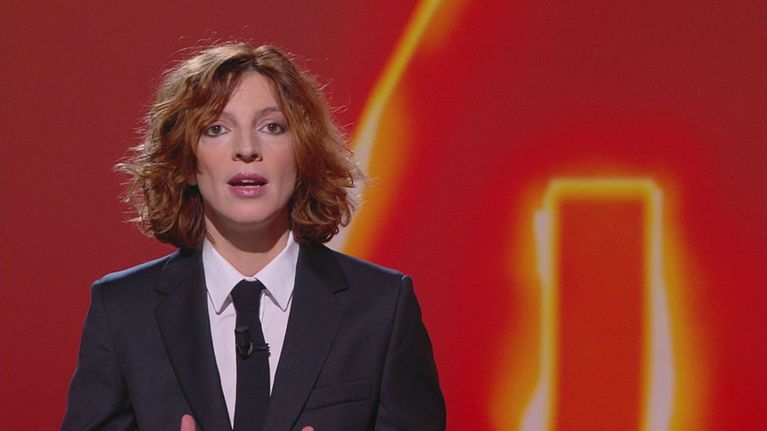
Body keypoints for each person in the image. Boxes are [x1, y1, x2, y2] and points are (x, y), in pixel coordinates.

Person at [61, 42, 445, 431]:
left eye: (272, 127)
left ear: (302, 153)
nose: (247, 149)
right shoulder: (123, 310)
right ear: (186, 162)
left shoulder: (381, 307)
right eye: (216, 129)